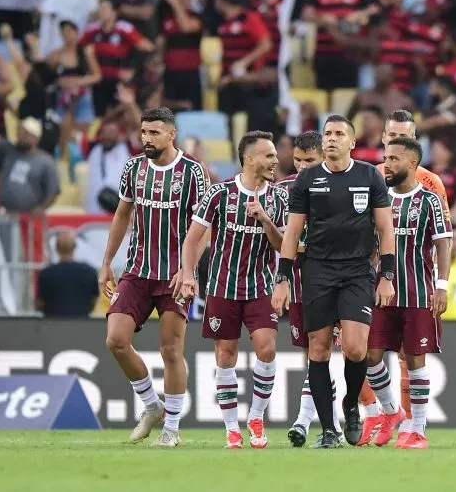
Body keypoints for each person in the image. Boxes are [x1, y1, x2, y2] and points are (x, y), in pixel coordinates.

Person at [271, 115, 396, 448]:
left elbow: (385, 229)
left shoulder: (370, 175)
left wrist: (387, 275)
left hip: (357, 270)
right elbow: (293, 231)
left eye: (339, 134)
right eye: (327, 133)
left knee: (356, 348)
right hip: (318, 271)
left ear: (352, 142)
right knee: (319, 348)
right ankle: (328, 430)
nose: (331, 138)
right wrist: (283, 277)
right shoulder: (307, 179)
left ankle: (351, 404)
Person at [98, 107, 211, 448]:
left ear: (171, 135)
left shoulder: (193, 173)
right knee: (115, 340)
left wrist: (188, 269)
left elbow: (204, 229)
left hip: (176, 276)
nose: (146, 139)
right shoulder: (133, 168)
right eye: (144, 132)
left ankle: (172, 429)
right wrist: (106, 262)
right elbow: (122, 214)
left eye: (154, 133)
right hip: (137, 271)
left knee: (171, 351)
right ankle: (152, 406)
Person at [175, 131, 288, 450]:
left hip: (260, 285)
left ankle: (255, 417)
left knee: (266, 349)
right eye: (268, 155)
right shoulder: (219, 194)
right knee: (226, 354)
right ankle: (231, 429)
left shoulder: (278, 198)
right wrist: (187, 274)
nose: (275, 160)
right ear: (249, 159)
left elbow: (284, 245)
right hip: (223, 286)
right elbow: (192, 239)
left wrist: (265, 220)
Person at [357, 108, 452, 446]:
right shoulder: (374, 192)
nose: (387, 164)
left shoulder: (430, 196)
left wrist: (441, 284)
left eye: (394, 158)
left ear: (411, 163)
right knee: (368, 354)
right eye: (386, 156)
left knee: (413, 358)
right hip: (378, 290)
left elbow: (444, 241)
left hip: (417, 290)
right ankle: (391, 410)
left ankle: (417, 429)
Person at [276, 132, 344, 447]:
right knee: (313, 357)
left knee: (327, 355)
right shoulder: (281, 191)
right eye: (298, 161)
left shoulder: (336, 188)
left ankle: (304, 421)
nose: (302, 168)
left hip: (331, 283)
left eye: (310, 161)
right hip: (299, 287)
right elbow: (278, 242)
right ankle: (336, 426)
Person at [36, 230, 98, 317]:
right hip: (82, 323)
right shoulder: (89, 271)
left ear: (56, 247)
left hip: (52, 324)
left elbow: (39, 304)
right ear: (75, 246)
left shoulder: (45, 273)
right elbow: (93, 300)